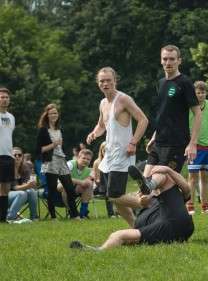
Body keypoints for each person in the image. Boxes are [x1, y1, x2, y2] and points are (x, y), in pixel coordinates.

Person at [70, 165, 194, 251]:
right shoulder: (154, 200)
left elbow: (187, 190)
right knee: (116, 199)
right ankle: (149, 185)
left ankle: (98, 251)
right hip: (178, 225)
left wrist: (168, 170)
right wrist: (143, 200)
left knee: (118, 235)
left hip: (172, 223)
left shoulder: (169, 194)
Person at [86, 67, 149, 227]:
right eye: (102, 81)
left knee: (114, 195)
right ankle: (137, 229)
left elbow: (143, 120)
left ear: (115, 81)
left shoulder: (123, 99)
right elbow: (101, 125)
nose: (105, 83)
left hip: (123, 154)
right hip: (108, 156)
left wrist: (133, 142)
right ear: (98, 83)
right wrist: (93, 133)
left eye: (108, 80)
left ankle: (154, 204)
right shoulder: (102, 103)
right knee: (117, 199)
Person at [143, 45, 201, 181]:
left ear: (179, 61)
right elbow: (163, 113)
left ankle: (185, 194)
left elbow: (198, 114)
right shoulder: (161, 83)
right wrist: (154, 136)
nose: (168, 62)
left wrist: (193, 143)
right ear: (161, 61)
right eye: (165, 59)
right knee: (145, 182)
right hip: (159, 142)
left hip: (176, 142)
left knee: (159, 182)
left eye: (172, 59)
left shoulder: (185, 83)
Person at [35, 103, 80, 219]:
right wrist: (53, 145)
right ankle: (53, 216)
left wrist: (60, 147)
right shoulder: (43, 130)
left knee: (70, 189)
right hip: (50, 161)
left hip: (62, 160)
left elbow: (61, 147)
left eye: (55, 113)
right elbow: (39, 149)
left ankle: (75, 215)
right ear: (47, 115)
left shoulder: (60, 129)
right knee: (52, 189)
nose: (54, 115)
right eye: (51, 113)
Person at [186, 81, 208, 215]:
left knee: (205, 177)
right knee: (192, 178)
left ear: (206, 93)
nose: (200, 95)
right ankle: (190, 206)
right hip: (194, 146)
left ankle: (205, 206)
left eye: (203, 92)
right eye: (198, 92)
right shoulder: (188, 105)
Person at [58, 149, 94, 218]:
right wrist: (81, 182)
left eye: (88, 159)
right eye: (84, 158)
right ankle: (72, 212)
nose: (86, 160)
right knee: (65, 187)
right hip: (60, 187)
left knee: (89, 185)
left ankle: (83, 212)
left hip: (75, 189)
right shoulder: (70, 164)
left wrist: (88, 183)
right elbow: (64, 178)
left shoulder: (88, 170)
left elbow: (88, 182)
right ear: (78, 158)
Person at [7, 147, 38, 223]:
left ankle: (34, 217)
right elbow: (15, 188)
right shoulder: (7, 168)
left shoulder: (25, 168)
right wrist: (28, 185)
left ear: (22, 157)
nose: (17, 156)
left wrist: (31, 184)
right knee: (22, 193)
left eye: (19, 155)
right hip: (4, 196)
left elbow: (26, 184)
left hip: (19, 195)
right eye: (15, 155)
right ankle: (10, 217)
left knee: (32, 191)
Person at [0, 87, 15, 222]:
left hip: (8, 156)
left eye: (6, 97)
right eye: (1, 97)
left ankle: (3, 218)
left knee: (5, 188)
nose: (4, 99)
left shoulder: (11, 117)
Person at [92, 142, 116, 218]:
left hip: (109, 186)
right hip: (98, 187)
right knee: (108, 190)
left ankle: (117, 212)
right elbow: (96, 179)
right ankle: (111, 213)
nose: (106, 153)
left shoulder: (114, 162)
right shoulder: (97, 162)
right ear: (101, 151)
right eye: (104, 151)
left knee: (112, 189)